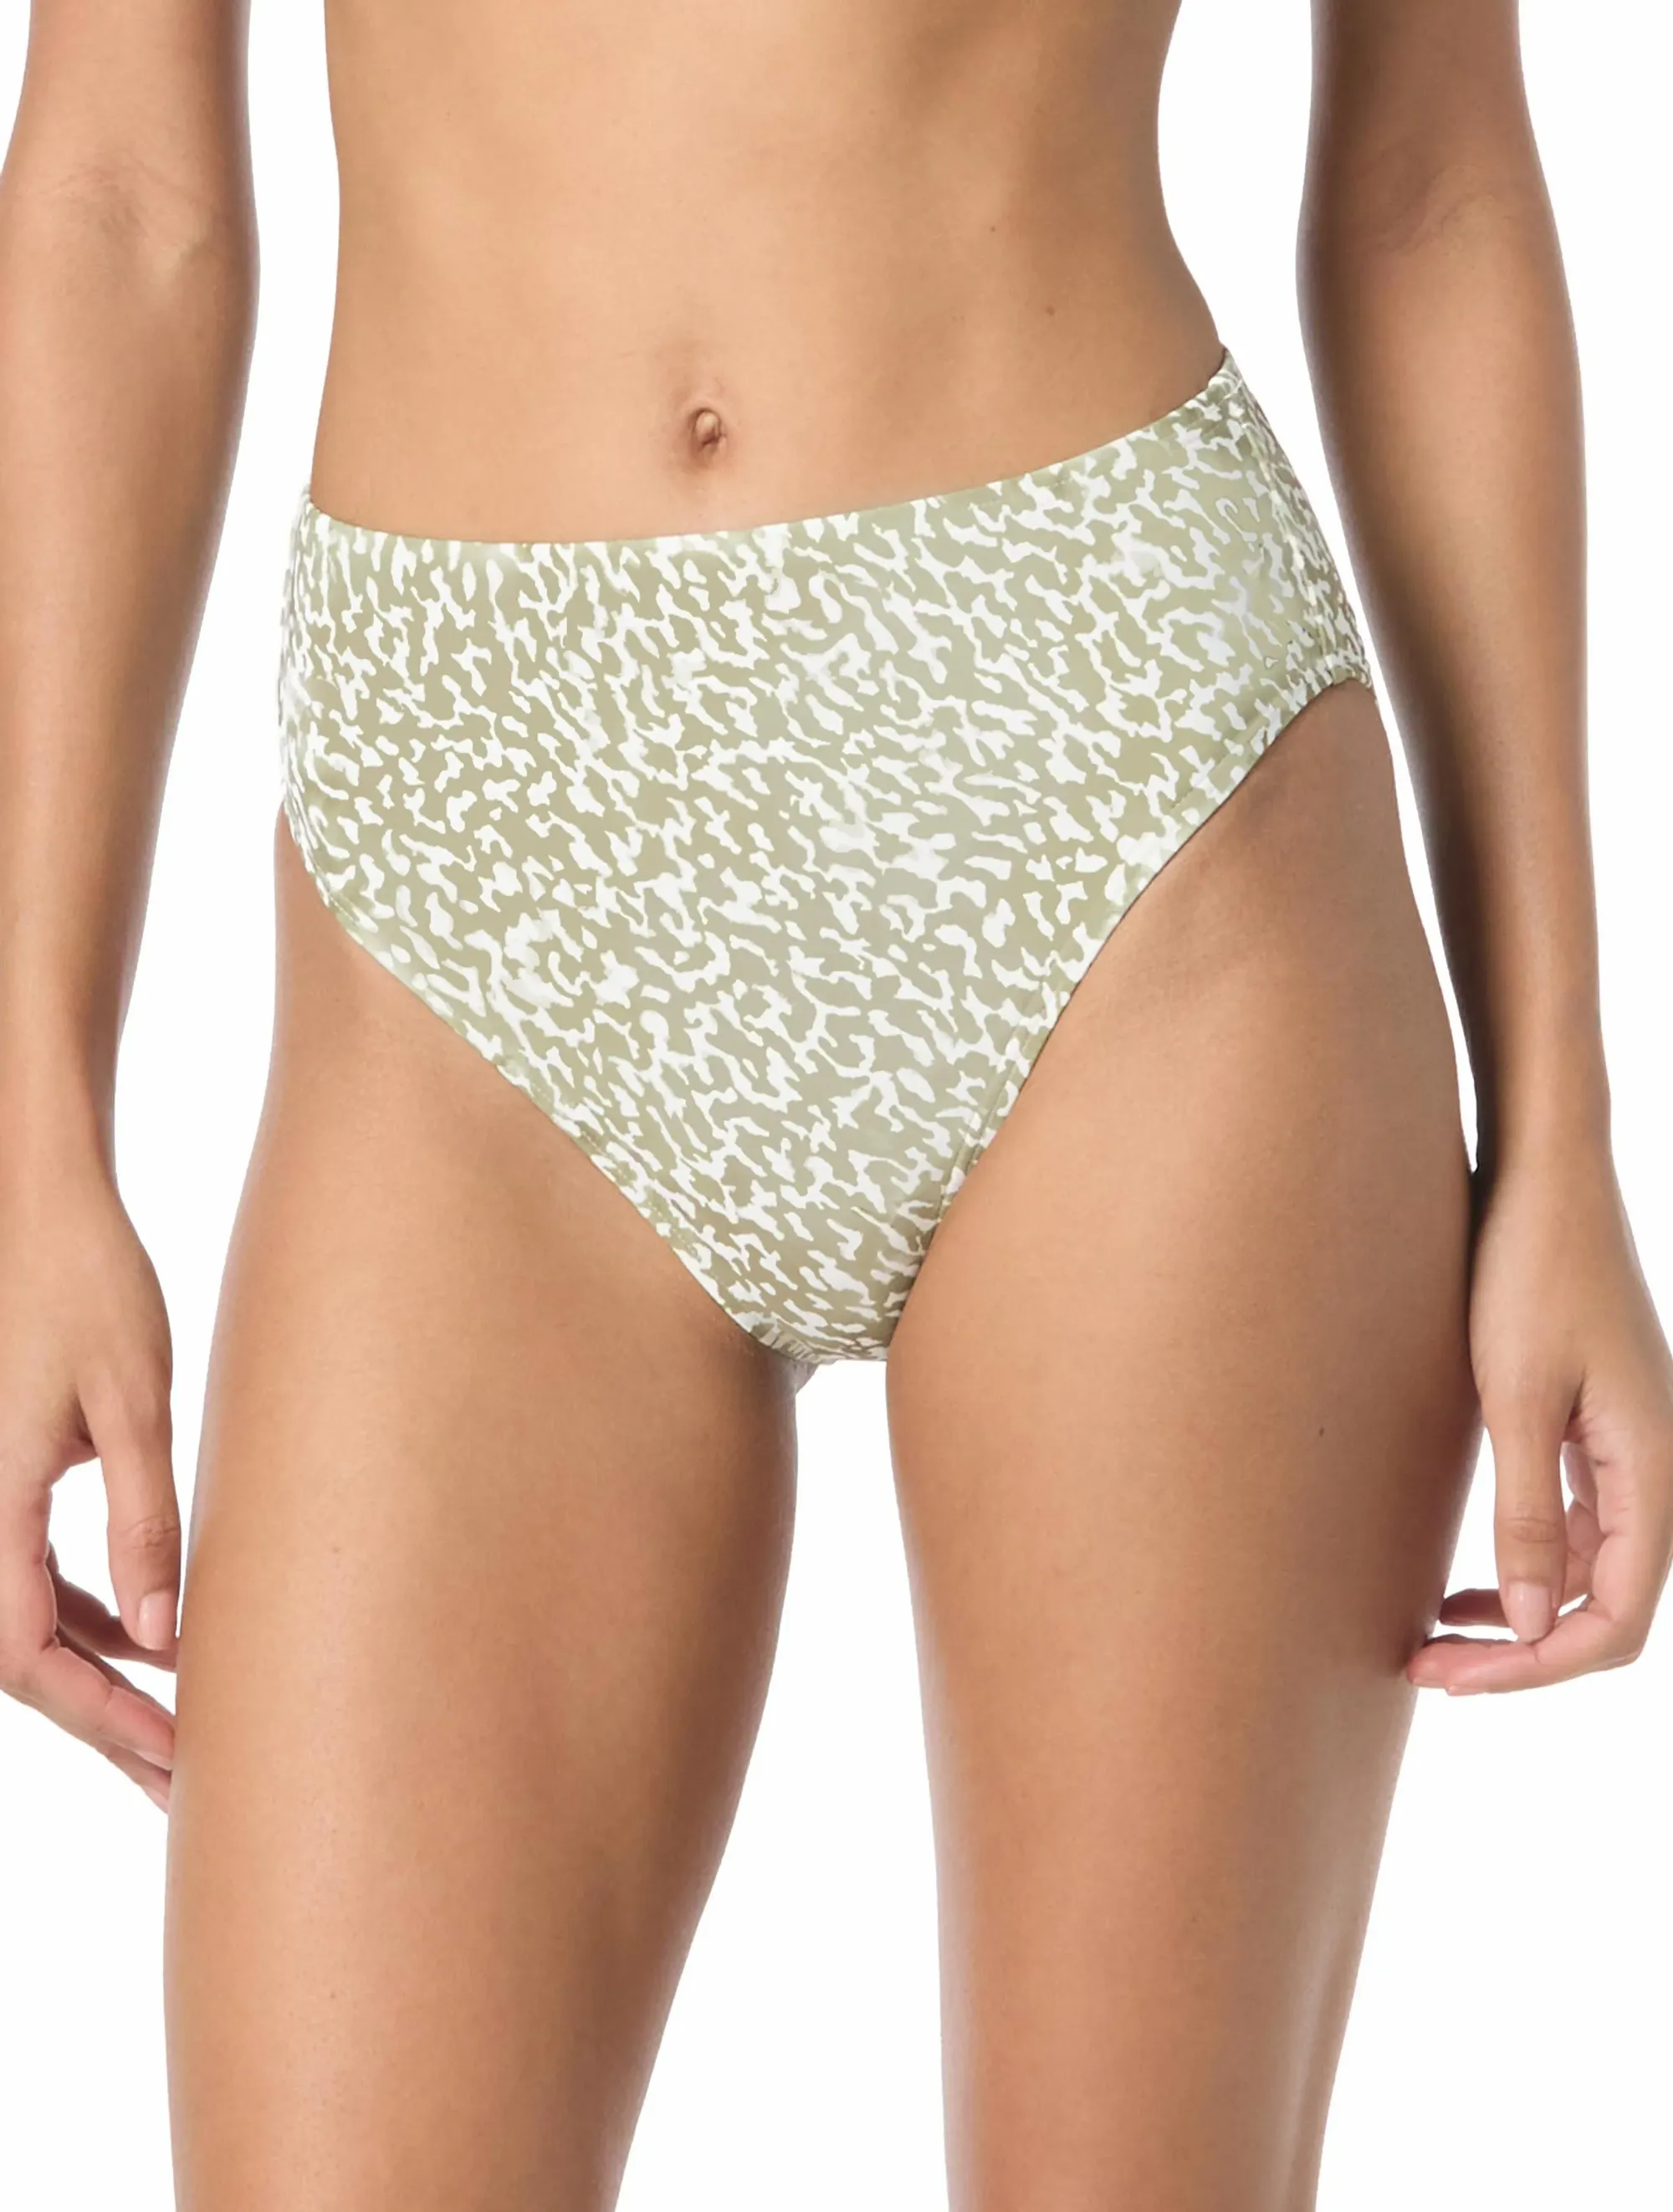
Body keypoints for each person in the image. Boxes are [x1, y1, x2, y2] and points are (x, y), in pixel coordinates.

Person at [2, 0, 1669, 2204]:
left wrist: (1564, 1128)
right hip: (463, 920)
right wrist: (32, 1132)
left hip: (1126, 815)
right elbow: (120, 189)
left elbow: (1430, 182)